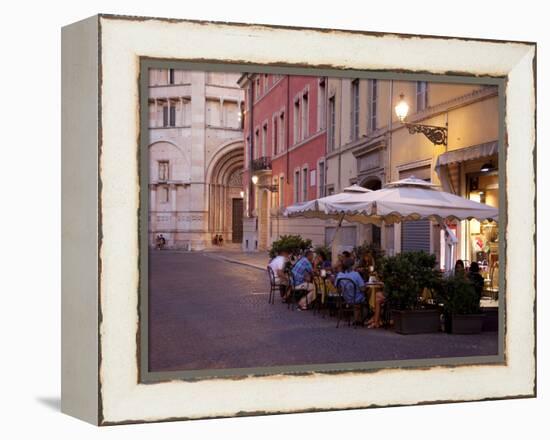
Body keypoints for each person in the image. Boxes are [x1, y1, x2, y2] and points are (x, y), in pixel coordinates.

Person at [335, 259, 365, 323]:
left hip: (346, 298)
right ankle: (361, 318)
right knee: (367, 294)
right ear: (352, 266)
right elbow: (363, 289)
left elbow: (337, 287)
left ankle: (358, 318)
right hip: (356, 298)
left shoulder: (340, 275)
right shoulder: (356, 274)